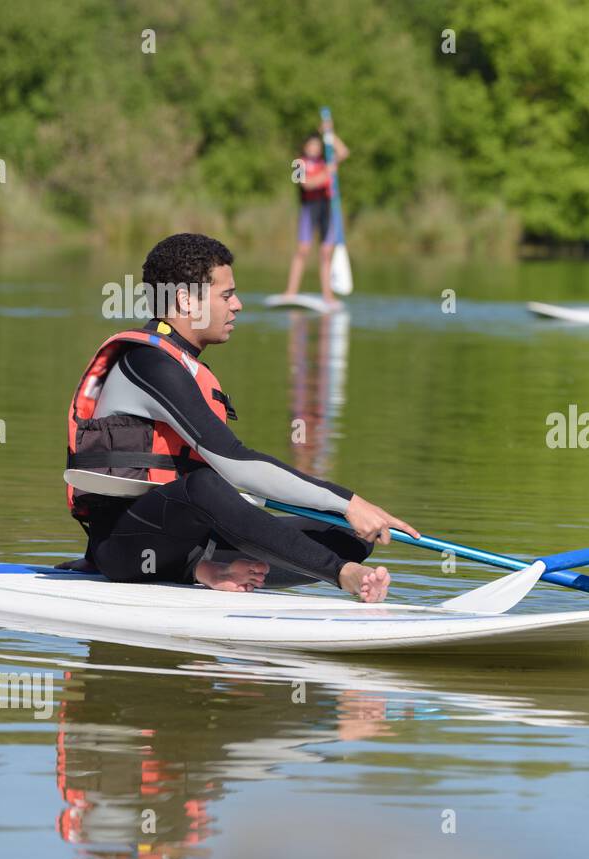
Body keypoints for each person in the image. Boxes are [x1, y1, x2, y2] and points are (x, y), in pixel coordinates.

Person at [65, 233, 416, 601]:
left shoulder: (181, 363)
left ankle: (205, 569)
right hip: (124, 549)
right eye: (226, 295)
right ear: (187, 300)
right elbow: (235, 463)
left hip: (185, 536)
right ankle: (340, 575)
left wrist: (346, 513)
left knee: (347, 536)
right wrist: (348, 501)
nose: (238, 305)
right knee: (205, 485)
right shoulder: (148, 363)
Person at [281, 127, 350, 306]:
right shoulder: (297, 163)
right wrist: (328, 172)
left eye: (317, 145)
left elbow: (344, 152)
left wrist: (329, 133)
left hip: (327, 208)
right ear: (305, 146)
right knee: (303, 250)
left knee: (326, 252)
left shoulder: (326, 160)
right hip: (309, 208)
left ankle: (328, 296)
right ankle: (291, 291)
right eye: (311, 145)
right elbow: (306, 185)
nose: (314, 148)